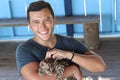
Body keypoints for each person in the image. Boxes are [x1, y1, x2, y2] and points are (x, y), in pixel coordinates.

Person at [16, 1, 106, 80]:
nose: (42, 27)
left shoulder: (69, 42)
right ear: (30, 25)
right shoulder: (25, 49)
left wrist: (68, 54)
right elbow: (36, 79)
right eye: (36, 22)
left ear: (54, 20)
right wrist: (72, 69)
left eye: (46, 20)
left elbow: (100, 66)